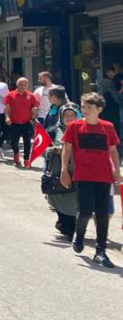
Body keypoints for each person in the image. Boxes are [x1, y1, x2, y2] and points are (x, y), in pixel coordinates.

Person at [60, 93, 122, 268]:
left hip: (103, 176)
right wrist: (64, 171)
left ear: (99, 109)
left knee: (103, 214)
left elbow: (113, 151)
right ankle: (79, 235)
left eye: (88, 107)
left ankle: (100, 251)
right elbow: (67, 149)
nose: (84, 110)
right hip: (83, 175)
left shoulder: (108, 127)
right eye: (83, 107)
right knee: (85, 211)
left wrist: (117, 172)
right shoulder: (74, 127)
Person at [45, 102, 80, 240]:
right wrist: (51, 150)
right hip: (58, 171)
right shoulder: (53, 131)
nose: (69, 118)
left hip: (78, 171)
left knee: (75, 200)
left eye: (72, 115)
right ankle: (65, 224)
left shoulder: (83, 129)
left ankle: (72, 227)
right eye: (66, 116)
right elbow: (42, 149)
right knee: (60, 197)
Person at [4, 77, 40, 168]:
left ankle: (26, 159)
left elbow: (35, 107)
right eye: (20, 84)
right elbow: (7, 107)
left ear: (27, 86)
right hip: (14, 122)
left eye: (24, 85)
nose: (22, 87)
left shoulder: (31, 96)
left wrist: (34, 115)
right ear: (17, 85)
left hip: (26, 122)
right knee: (14, 142)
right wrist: (7, 117)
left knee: (27, 142)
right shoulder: (10, 95)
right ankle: (16, 154)